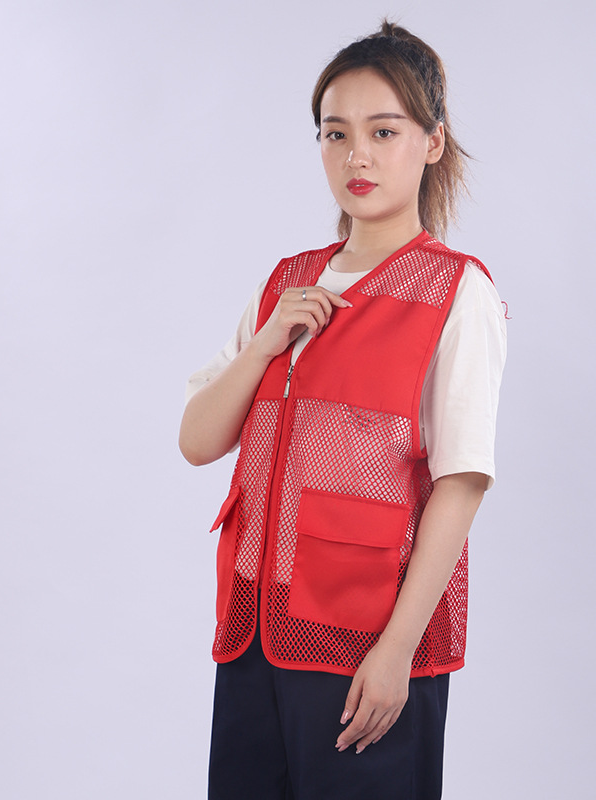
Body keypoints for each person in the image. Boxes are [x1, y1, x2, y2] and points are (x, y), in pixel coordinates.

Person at [180, 20, 506, 800]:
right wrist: (267, 341)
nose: (356, 155)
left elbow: (461, 483)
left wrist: (396, 652)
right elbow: (196, 439)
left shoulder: (457, 291)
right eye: (336, 133)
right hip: (255, 639)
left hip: (369, 648)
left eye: (382, 131)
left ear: (431, 142)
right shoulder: (287, 283)